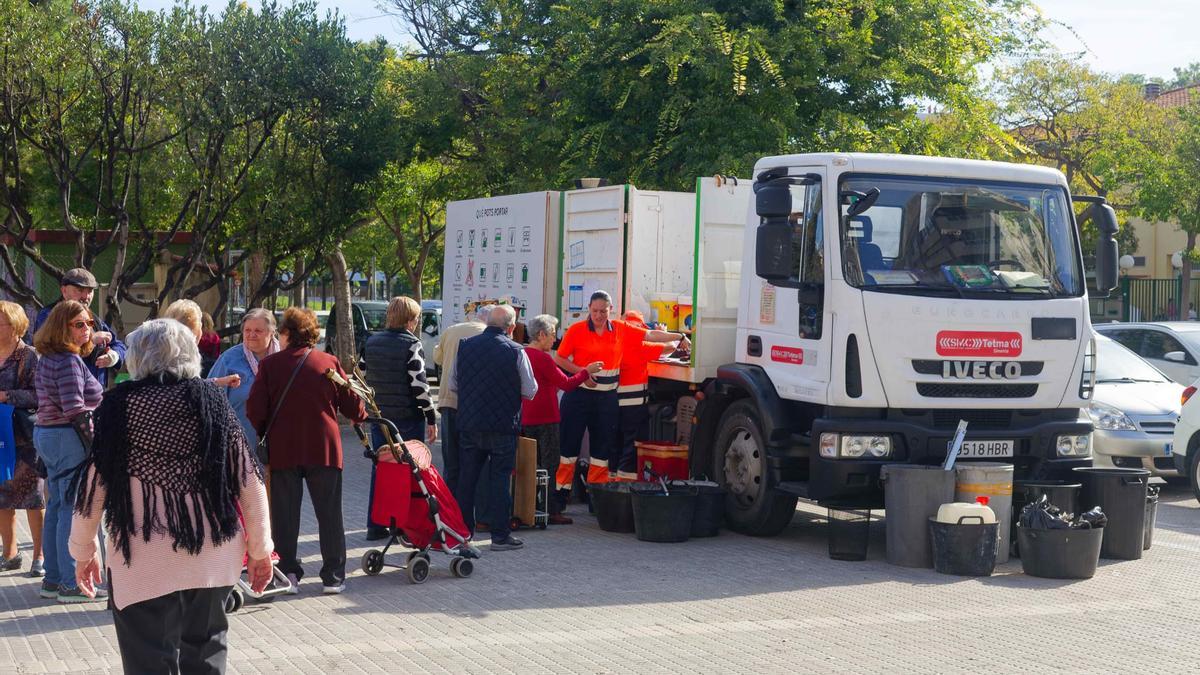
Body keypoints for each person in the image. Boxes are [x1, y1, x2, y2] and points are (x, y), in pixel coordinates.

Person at [69, 319, 273, 675]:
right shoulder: (211, 401)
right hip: (211, 552)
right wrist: (260, 550)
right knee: (207, 652)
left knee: (147, 660)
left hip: (142, 553)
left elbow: (93, 485)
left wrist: (84, 551)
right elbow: (249, 481)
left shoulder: (118, 405)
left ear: (136, 356)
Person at [246, 307, 365, 594]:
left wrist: (265, 431)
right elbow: (354, 407)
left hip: (284, 448)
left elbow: (254, 409)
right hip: (324, 447)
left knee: (285, 516)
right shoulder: (328, 362)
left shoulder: (271, 366)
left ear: (286, 333)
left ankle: (289, 573)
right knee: (330, 514)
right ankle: (333, 576)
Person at [552, 291, 686, 488]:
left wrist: (680, 335)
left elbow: (650, 334)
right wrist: (582, 373)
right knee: (569, 449)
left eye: (603, 311)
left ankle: (597, 496)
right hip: (579, 396)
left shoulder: (620, 328)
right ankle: (560, 497)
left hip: (606, 398)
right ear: (589, 308)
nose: (599, 315)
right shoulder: (576, 330)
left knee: (602, 451)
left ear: (610, 310)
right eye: (595, 311)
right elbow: (559, 358)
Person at [31, 300, 105, 603]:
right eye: (79, 324)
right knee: (71, 510)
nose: (86, 329)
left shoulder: (49, 357)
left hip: (49, 434)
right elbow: (75, 408)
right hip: (67, 436)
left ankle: (52, 579)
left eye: (89, 323)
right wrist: (96, 444)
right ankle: (70, 583)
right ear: (62, 326)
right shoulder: (68, 361)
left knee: (59, 506)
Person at [451, 305, 537, 550]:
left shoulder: (465, 346)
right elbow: (530, 390)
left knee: (467, 479)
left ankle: (462, 533)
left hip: (470, 423)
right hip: (503, 425)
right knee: (499, 480)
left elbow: (453, 384)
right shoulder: (516, 351)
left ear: (487, 322)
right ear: (511, 327)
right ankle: (500, 536)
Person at [362, 296, 438, 540]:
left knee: (382, 466)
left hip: (379, 417)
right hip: (407, 416)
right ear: (410, 319)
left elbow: (362, 376)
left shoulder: (371, 341)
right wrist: (431, 416)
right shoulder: (412, 344)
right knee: (409, 470)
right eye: (416, 318)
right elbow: (419, 384)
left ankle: (375, 524)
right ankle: (403, 525)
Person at [521, 314, 600, 524]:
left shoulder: (522, 354)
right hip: (546, 417)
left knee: (531, 464)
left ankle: (528, 506)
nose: (555, 340)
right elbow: (565, 383)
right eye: (552, 335)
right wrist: (586, 372)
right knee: (550, 465)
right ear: (541, 334)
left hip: (527, 417)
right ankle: (550, 509)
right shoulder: (543, 358)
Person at [0, 301, 44, 577]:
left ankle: (39, 556)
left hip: (23, 437)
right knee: (2, 496)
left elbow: (40, 396)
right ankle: (10, 552)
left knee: (32, 498)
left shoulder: (30, 356)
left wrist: (7, 397)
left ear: (15, 325)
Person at [32, 268, 126, 388]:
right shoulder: (50, 316)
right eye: (80, 290)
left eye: (90, 291)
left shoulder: (92, 318)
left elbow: (118, 344)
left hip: (95, 394)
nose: (86, 296)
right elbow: (52, 353)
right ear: (64, 291)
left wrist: (113, 356)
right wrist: (90, 340)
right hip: (65, 392)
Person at [433, 304, 491, 493]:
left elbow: (438, 358)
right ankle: (471, 508)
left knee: (451, 460)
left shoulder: (451, 331)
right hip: (475, 406)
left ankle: (449, 506)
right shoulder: (488, 335)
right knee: (474, 460)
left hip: (448, 401)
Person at [615, 310, 679, 481]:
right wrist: (664, 332)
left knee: (615, 446)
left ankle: (609, 486)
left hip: (614, 404)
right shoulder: (640, 346)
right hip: (634, 406)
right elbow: (670, 348)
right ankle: (626, 488)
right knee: (632, 448)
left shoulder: (615, 343)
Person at [207, 309, 280, 451]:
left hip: (279, 447)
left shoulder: (284, 360)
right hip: (238, 447)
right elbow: (209, 396)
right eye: (247, 330)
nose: (252, 335)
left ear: (272, 333)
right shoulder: (229, 360)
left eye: (258, 330)